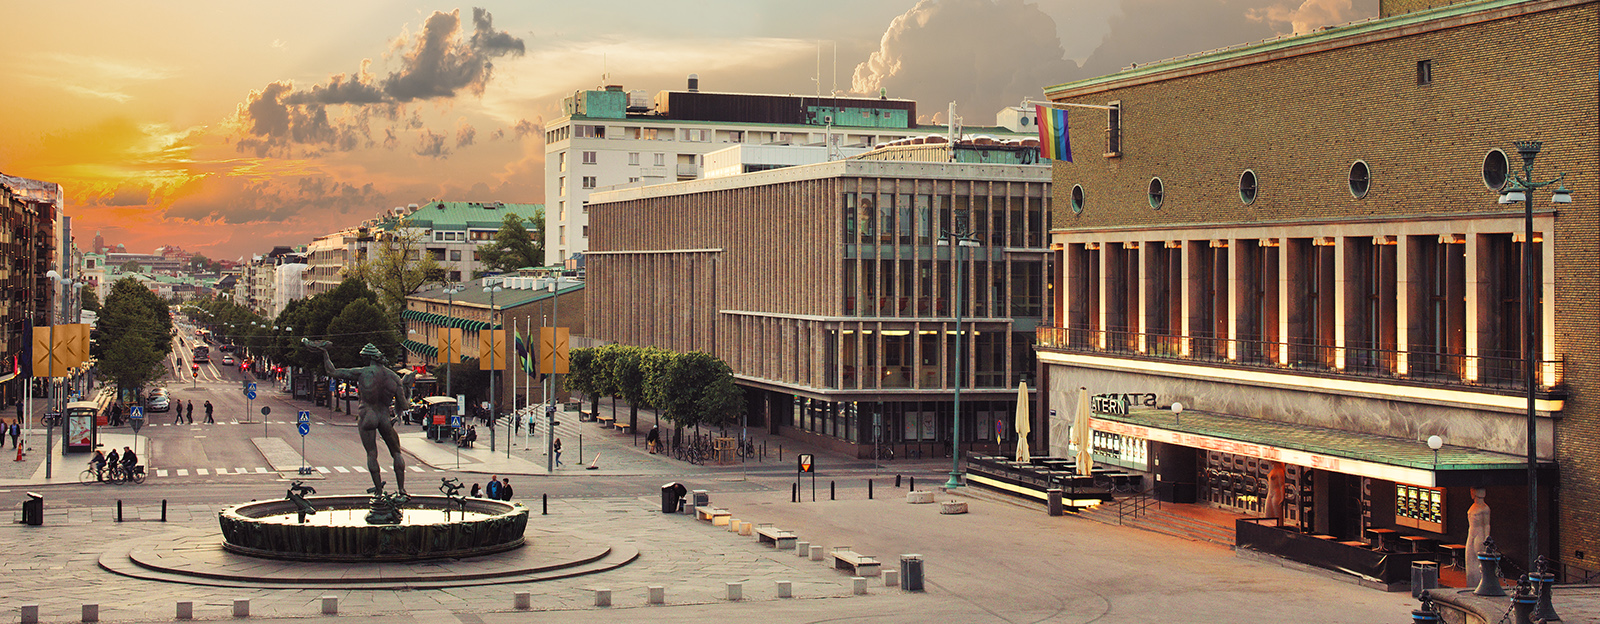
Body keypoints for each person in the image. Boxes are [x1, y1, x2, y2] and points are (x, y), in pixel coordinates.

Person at [307, 341, 416, 495]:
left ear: (368, 358)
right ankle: (401, 489)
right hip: (385, 417)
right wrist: (407, 388)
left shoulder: (362, 372)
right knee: (397, 453)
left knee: (372, 454)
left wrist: (325, 353)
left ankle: (379, 491)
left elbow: (332, 371)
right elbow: (404, 405)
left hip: (368, 415)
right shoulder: (394, 377)